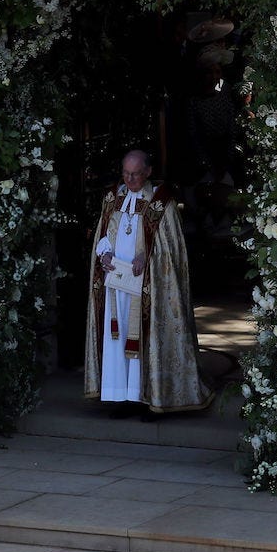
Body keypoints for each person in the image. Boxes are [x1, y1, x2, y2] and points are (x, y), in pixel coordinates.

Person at [86, 149, 212, 415]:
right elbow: (104, 232)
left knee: (147, 338)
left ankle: (147, 397)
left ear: (148, 172)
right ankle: (119, 396)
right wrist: (105, 253)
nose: (130, 179)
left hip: (148, 286)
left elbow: (170, 249)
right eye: (126, 173)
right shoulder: (113, 197)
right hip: (116, 283)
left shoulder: (161, 202)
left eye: (136, 174)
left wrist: (147, 257)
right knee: (115, 338)